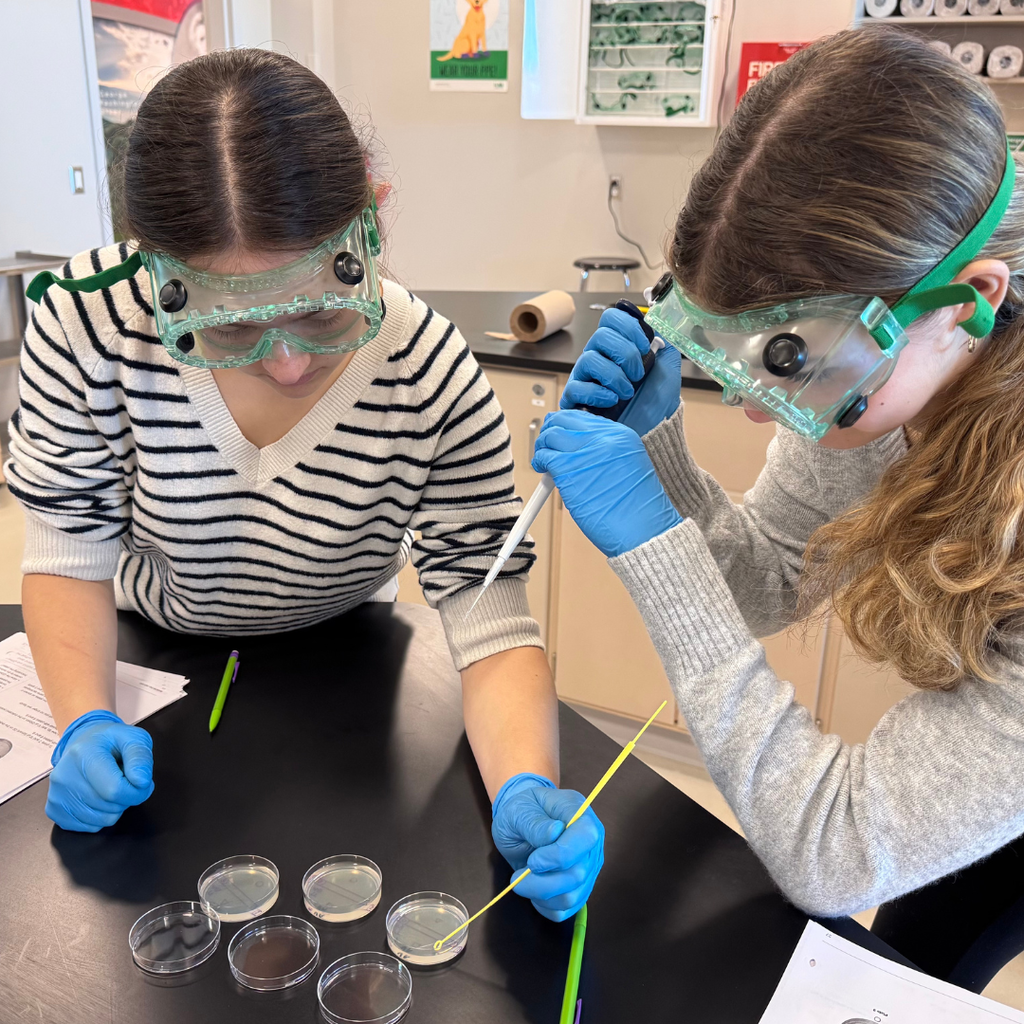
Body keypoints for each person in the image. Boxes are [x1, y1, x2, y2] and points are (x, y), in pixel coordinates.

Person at [5, 48, 601, 923]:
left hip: (349, 657)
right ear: (153, 269)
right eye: (227, 328)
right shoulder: (86, 321)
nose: (285, 363)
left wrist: (522, 784)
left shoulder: (429, 372)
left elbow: (488, 610)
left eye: (322, 314)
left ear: (373, 222)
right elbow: (67, 549)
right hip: (145, 654)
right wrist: (86, 721)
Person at [534, 26, 1024, 983]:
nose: (757, 407)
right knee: (903, 949)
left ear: (967, 301)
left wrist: (655, 548)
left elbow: (832, 851)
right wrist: (661, 459)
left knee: (934, 949)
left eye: (793, 360)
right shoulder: (884, 384)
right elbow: (766, 584)